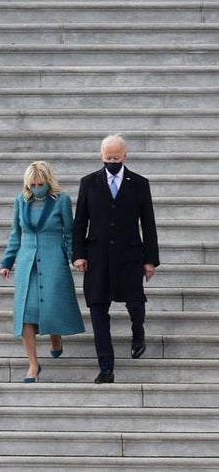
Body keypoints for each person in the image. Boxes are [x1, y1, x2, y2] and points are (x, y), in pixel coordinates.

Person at [74, 134, 160, 384]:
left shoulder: (140, 184)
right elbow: (80, 223)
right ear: (101, 156)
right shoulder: (88, 183)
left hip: (129, 255)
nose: (112, 161)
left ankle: (138, 331)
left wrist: (150, 259)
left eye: (116, 157)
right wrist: (78, 254)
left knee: (135, 303)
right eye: (107, 157)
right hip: (97, 257)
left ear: (125, 155)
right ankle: (106, 367)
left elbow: (149, 224)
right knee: (98, 310)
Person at [0, 161, 85, 383]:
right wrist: (7, 262)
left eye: (41, 183)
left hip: (53, 259)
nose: (37, 187)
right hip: (28, 263)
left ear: (48, 182)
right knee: (26, 312)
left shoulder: (61, 201)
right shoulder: (21, 201)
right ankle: (33, 364)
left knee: (51, 305)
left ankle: (55, 337)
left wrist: (74, 257)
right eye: (33, 184)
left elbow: (69, 231)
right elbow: (15, 233)